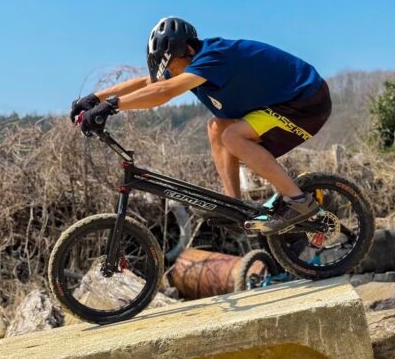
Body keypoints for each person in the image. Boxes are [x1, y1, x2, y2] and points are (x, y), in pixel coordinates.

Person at [70, 17, 332, 235]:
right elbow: (148, 83)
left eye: (171, 67)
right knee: (216, 128)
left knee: (233, 136)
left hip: (306, 102)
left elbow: (163, 91)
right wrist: (96, 98)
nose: (171, 75)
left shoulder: (213, 57)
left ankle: (298, 201)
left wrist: (112, 106)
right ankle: (234, 206)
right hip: (281, 104)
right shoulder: (190, 62)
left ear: (188, 51)